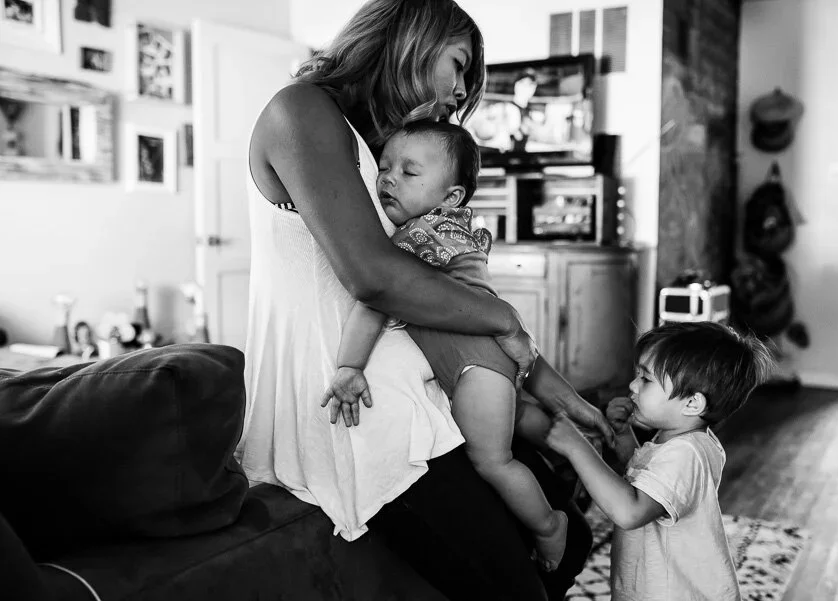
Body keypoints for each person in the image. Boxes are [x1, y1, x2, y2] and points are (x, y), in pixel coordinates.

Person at [237, 1, 606, 599]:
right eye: (457, 66)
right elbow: (375, 278)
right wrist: (509, 320)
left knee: (574, 536)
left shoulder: (384, 149)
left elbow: (446, 290)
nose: (459, 91)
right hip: (350, 404)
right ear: (412, 38)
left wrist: (552, 388)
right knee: (515, 584)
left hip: (425, 382)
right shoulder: (300, 111)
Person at [321, 120, 615, 571]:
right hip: (487, 362)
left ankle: (549, 526)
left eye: (409, 172)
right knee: (518, 420)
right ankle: (575, 444)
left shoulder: (419, 236)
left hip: (475, 366)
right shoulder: (451, 226)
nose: (389, 178)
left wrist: (348, 366)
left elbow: (374, 301)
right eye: (384, 168)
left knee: (493, 461)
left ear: (452, 196)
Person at [546, 321, 773, 600]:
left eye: (646, 379)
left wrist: (576, 448)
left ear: (692, 404)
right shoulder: (682, 441)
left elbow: (631, 511)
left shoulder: (686, 455)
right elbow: (649, 481)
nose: (632, 385)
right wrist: (623, 435)